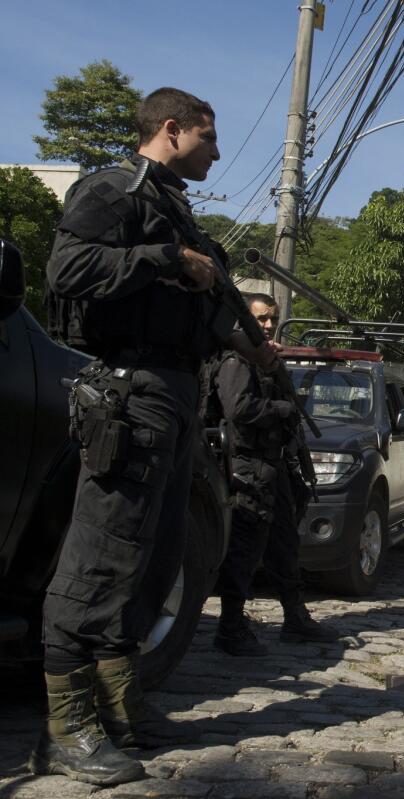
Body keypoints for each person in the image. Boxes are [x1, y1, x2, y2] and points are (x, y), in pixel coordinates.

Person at [34, 87, 274, 786]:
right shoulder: (116, 191)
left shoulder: (176, 209)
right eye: (208, 136)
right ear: (171, 130)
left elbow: (185, 321)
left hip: (173, 396)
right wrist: (167, 259)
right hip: (128, 393)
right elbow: (68, 270)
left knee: (154, 555)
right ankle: (69, 724)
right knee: (102, 555)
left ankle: (117, 703)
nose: (218, 150)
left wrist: (241, 344)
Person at [207, 293, 339, 657]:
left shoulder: (264, 361)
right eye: (260, 319)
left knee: (285, 544)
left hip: (273, 463)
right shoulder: (236, 361)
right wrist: (282, 408)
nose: (267, 325)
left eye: (272, 318)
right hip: (247, 465)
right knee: (246, 547)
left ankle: (294, 617)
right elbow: (239, 409)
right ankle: (230, 627)